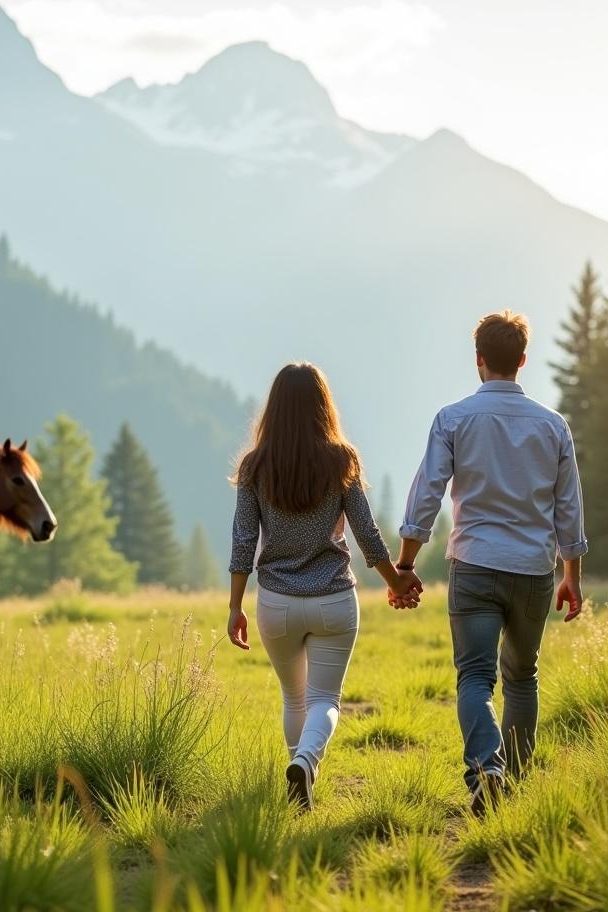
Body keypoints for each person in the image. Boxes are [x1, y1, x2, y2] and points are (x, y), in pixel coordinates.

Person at [394, 310, 587, 816]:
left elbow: (426, 496)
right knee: (523, 676)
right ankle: (514, 787)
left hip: (474, 565)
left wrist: (406, 564)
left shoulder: (453, 419)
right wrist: (572, 575)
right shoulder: (553, 426)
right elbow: (569, 508)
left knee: (475, 678)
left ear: (478, 360)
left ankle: (487, 770)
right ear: (523, 361)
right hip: (532, 569)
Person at [226, 362, 423, 810]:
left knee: (294, 697)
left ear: (273, 409)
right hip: (333, 599)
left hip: (276, 603)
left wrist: (236, 606)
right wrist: (396, 582)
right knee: (325, 699)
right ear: (323, 406)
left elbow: (243, 540)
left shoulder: (255, 466)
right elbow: (367, 534)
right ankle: (307, 764)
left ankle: (299, 777)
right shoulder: (342, 460)